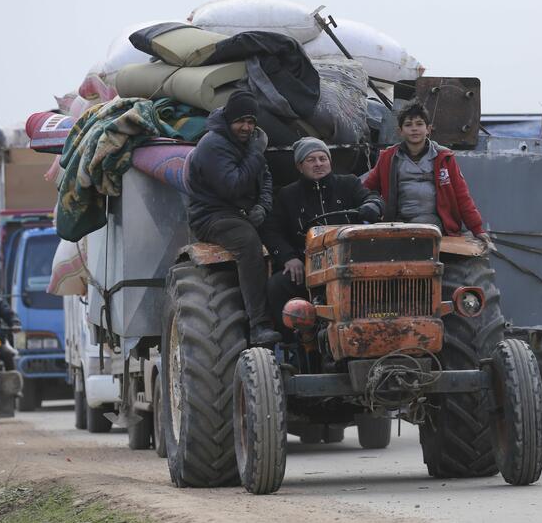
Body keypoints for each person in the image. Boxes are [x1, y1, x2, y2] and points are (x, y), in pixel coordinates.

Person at [260, 137, 384, 332]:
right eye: (311, 160)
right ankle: (293, 342)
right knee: (278, 285)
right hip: (309, 264)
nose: (318, 164)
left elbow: (371, 197)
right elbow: (271, 230)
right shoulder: (287, 195)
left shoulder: (349, 184)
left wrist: (372, 205)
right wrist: (288, 258)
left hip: (351, 261)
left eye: (322, 158)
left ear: (330, 162)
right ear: (300, 166)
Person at [187, 90, 279, 346]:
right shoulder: (213, 144)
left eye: (251, 122)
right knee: (247, 242)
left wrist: (263, 205)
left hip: (245, 212)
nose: (246, 127)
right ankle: (259, 324)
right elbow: (233, 185)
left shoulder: (250, 143)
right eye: (241, 121)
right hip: (212, 214)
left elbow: (266, 177)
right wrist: (256, 154)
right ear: (229, 120)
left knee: (283, 232)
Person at [362, 103, 490, 244]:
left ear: (428, 129)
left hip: (434, 226)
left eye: (419, 124)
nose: (414, 129)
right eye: (408, 125)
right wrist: (370, 205)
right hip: (399, 224)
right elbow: (366, 189)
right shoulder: (388, 157)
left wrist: (477, 229)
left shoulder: (444, 157)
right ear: (400, 131)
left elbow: (462, 196)